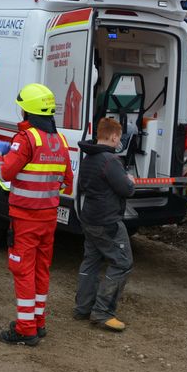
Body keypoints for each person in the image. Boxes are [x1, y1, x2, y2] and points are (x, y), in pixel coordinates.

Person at [0, 84, 72, 346]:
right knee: (40, 269)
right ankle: (38, 322)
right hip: (48, 218)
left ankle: (26, 329)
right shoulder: (60, 140)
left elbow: (5, 173)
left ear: (27, 111)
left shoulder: (25, 139)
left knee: (23, 270)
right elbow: (67, 181)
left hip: (25, 218)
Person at [74, 117, 135, 331]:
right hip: (107, 221)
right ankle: (102, 312)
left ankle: (83, 307)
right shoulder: (110, 160)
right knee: (123, 263)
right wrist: (130, 181)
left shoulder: (88, 158)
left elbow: (83, 185)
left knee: (91, 261)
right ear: (115, 136)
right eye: (119, 137)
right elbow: (126, 189)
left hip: (89, 218)